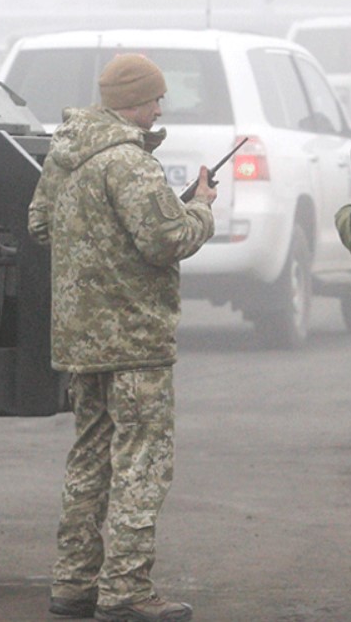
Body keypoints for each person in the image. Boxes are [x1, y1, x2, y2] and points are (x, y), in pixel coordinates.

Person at [28, 53, 216, 622]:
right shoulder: (130, 162)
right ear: (134, 101)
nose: (160, 109)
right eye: (156, 99)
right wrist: (200, 209)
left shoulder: (66, 154)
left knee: (89, 459)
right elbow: (166, 241)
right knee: (142, 462)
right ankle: (126, 590)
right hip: (134, 339)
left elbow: (40, 224)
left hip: (81, 339)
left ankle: (74, 583)